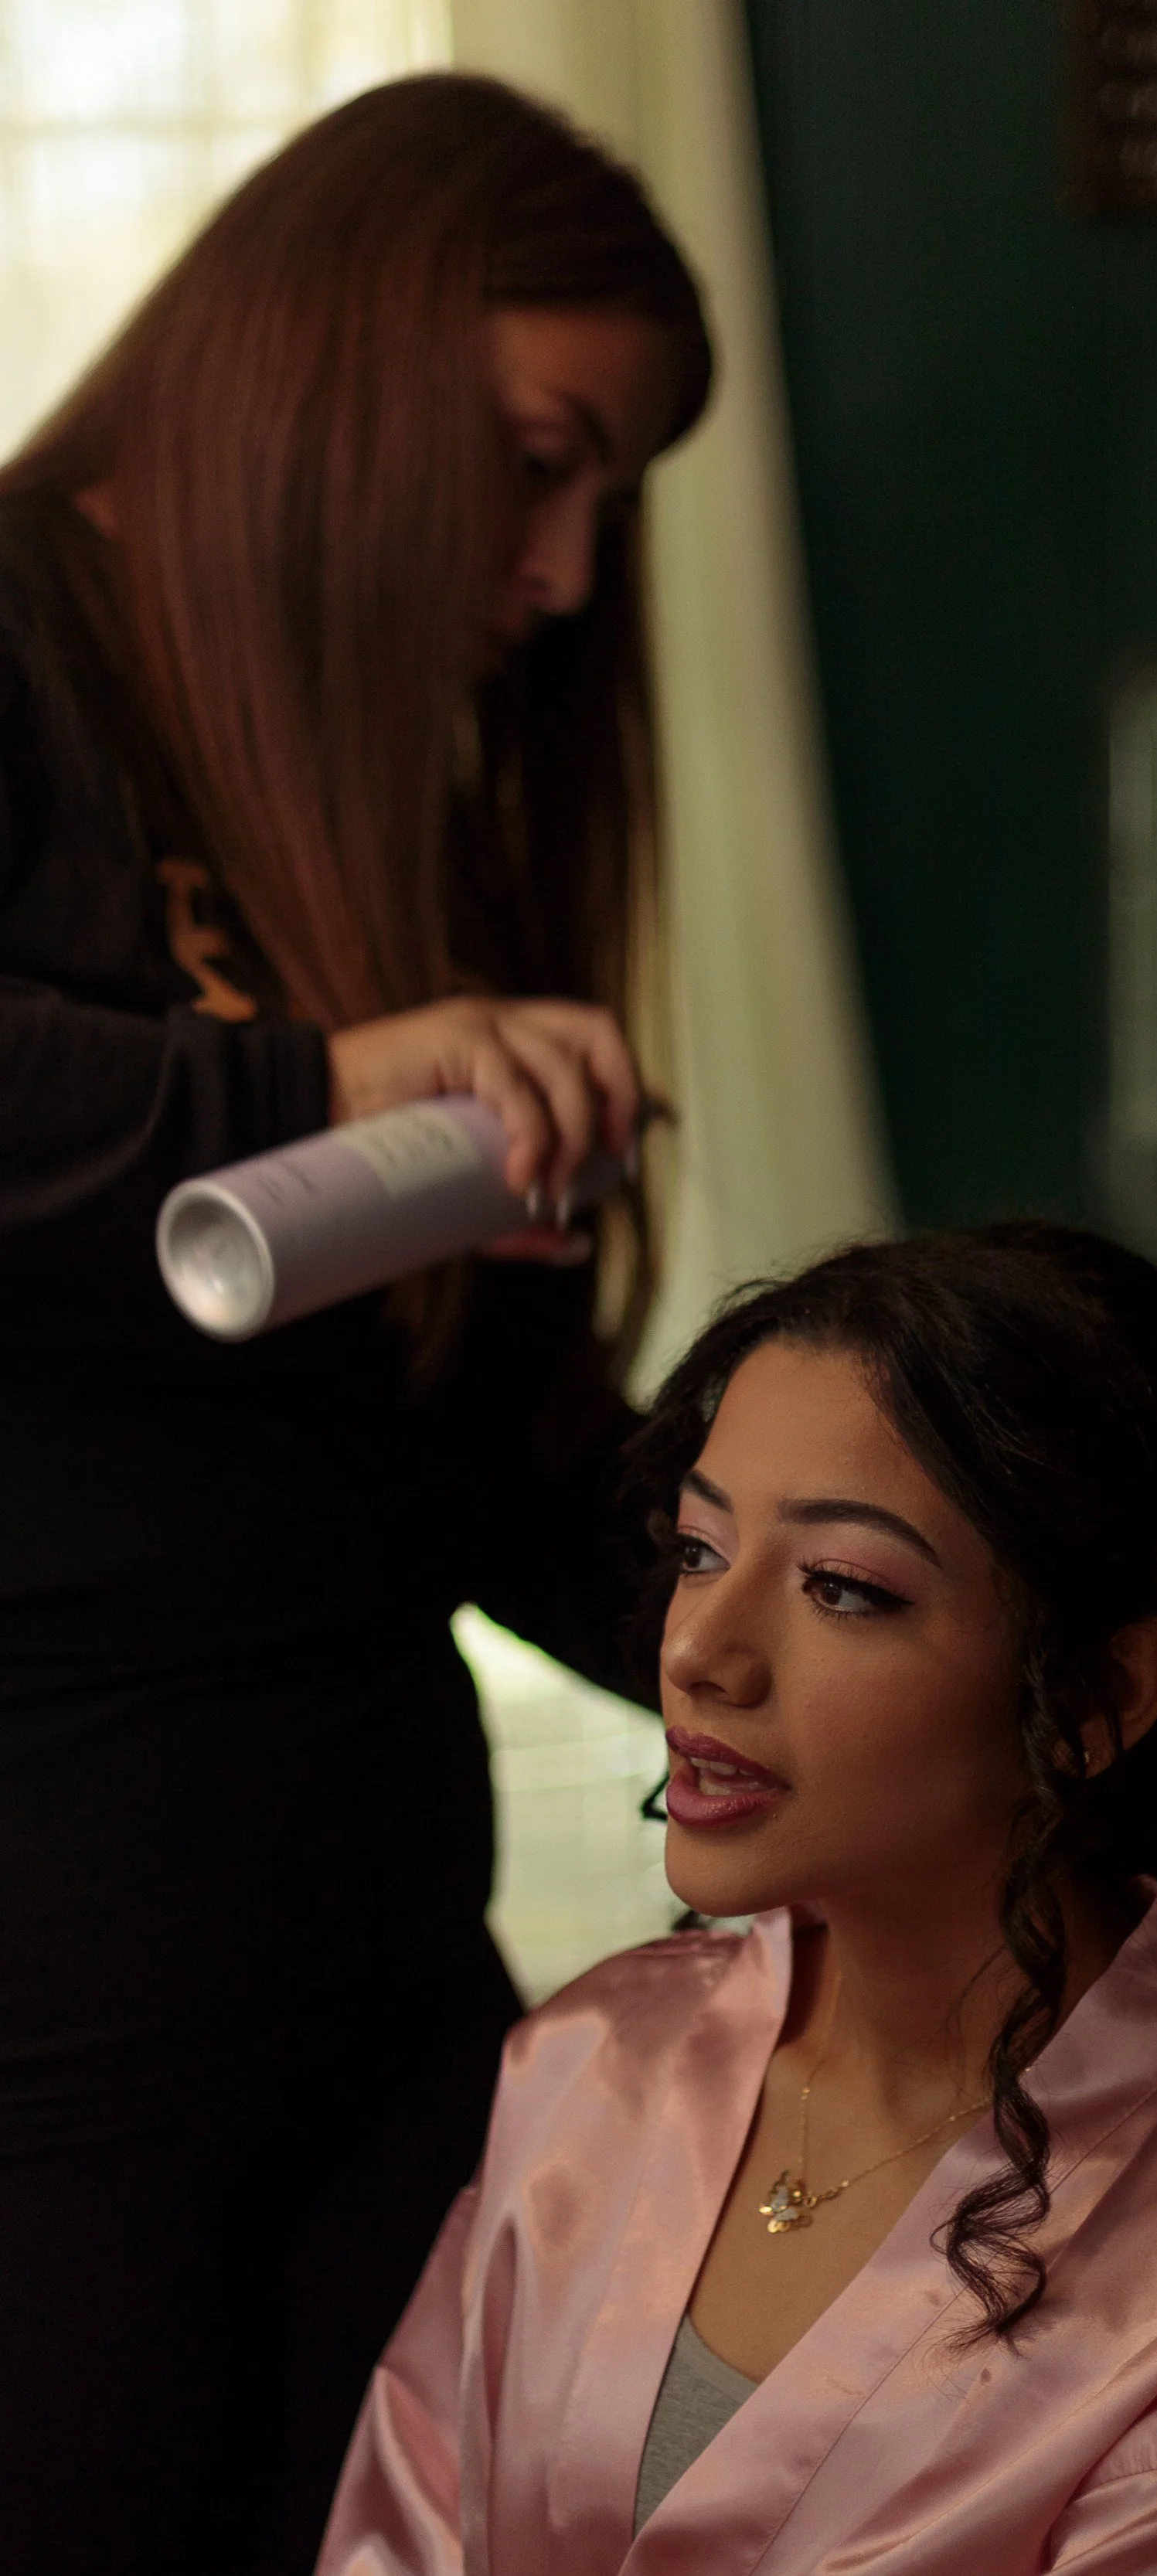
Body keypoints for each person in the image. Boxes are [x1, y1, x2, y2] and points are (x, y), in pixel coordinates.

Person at [0, 75, 711, 2576]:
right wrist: (310, 1087)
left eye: (605, 501)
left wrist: (801, 1622)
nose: (558, 574)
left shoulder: (381, 790)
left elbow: (491, 1454)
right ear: (341, 359)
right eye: (541, 463)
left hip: (387, 1982)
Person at [321, 1223, 1157, 2576]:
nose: (697, 1650)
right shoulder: (588, 2066)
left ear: (1100, 1699)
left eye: (842, 1588)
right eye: (700, 1551)